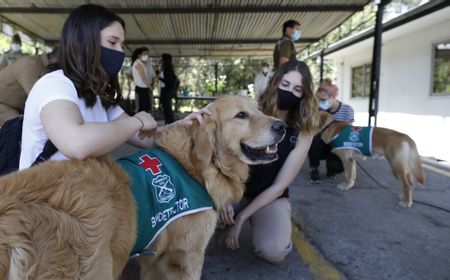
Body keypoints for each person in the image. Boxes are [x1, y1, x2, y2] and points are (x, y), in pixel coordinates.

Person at [19, 4, 206, 170]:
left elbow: (146, 138)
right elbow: (76, 143)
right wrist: (137, 121)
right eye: (112, 42)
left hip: (84, 195)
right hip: (43, 201)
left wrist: (182, 126)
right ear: (84, 42)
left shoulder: (97, 93)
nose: (120, 52)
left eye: (122, 45)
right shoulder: (55, 84)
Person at [218, 60, 320, 264]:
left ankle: (264, 220)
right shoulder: (251, 109)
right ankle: (225, 217)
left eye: (297, 89)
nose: (289, 92)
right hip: (234, 190)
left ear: (304, 94)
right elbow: (221, 151)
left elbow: (281, 185)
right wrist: (222, 196)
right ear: (274, 82)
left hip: (271, 197)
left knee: (273, 251)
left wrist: (242, 217)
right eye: (285, 85)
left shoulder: (303, 131)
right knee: (195, 221)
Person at [308, 78, 355, 182]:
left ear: (333, 97)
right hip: (321, 144)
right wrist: (326, 123)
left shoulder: (347, 110)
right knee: (314, 139)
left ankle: (332, 169)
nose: (320, 103)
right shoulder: (317, 109)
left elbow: (349, 133)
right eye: (318, 100)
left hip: (338, 144)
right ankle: (313, 168)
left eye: (323, 100)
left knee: (336, 167)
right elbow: (312, 130)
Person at [0, 48, 58, 126]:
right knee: (18, 129)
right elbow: (38, 100)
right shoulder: (30, 65)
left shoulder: (43, 66)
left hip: (14, 106)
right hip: (3, 105)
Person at [158, 53, 178, 124]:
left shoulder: (167, 68)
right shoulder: (167, 68)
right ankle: (168, 122)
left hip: (166, 91)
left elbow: (168, 81)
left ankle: (170, 123)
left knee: (167, 109)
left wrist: (159, 78)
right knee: (167, 108)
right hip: (167, 91)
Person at [131, 47, 152, 113]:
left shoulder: (139, 63)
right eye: (144, 54)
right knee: (143, 108)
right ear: (139, 55)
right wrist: (150, 87)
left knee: (143, 107)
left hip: (141, 88)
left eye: (147, 54)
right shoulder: (138, 64)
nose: (146, 56)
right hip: (142, 88)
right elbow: (143, 77)